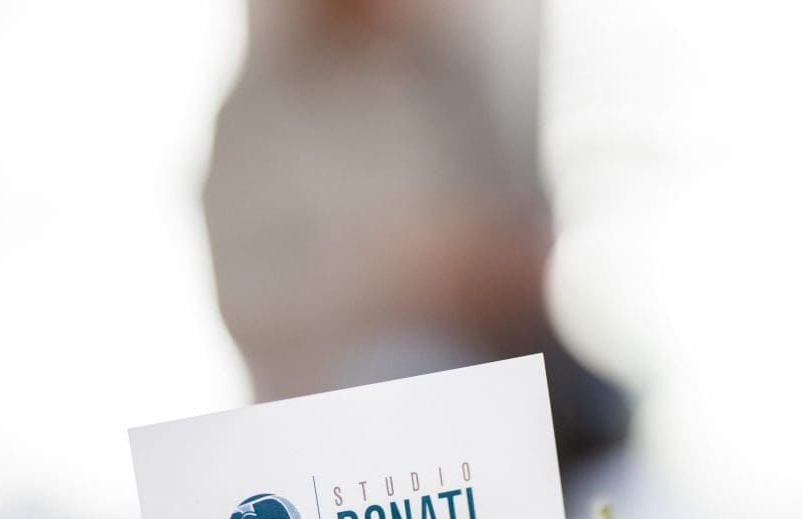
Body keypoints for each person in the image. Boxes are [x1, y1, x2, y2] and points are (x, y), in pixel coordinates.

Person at [203, 0, 629, 472]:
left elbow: (515, 225)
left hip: (487, 368)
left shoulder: (446, 85)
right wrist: (403, 274)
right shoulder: (254, 116)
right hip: (342, 402)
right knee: (406, 370)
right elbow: (251, 300)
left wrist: (491, 265)